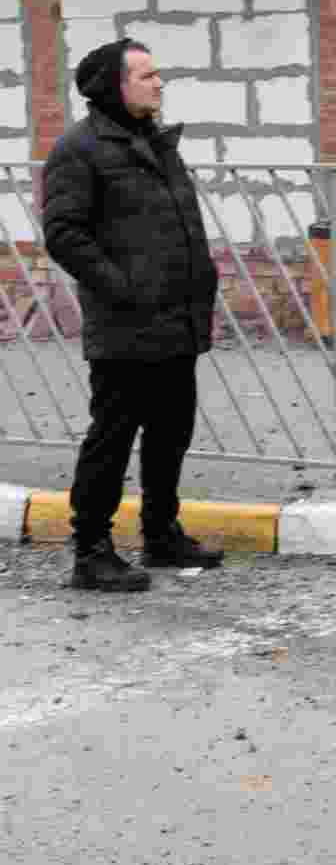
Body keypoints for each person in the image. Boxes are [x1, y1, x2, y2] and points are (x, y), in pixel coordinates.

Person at [42, 40, 223, 592]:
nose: (159, 83)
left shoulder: (154, 141)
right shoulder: (81, 148)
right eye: (146, 75)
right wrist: (123, 287)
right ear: (113, 87)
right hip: (125, 324)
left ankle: (160, 533)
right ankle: (91, 551)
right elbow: (63, 233)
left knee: (171, 431)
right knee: (113, 437)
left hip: (177, 318)